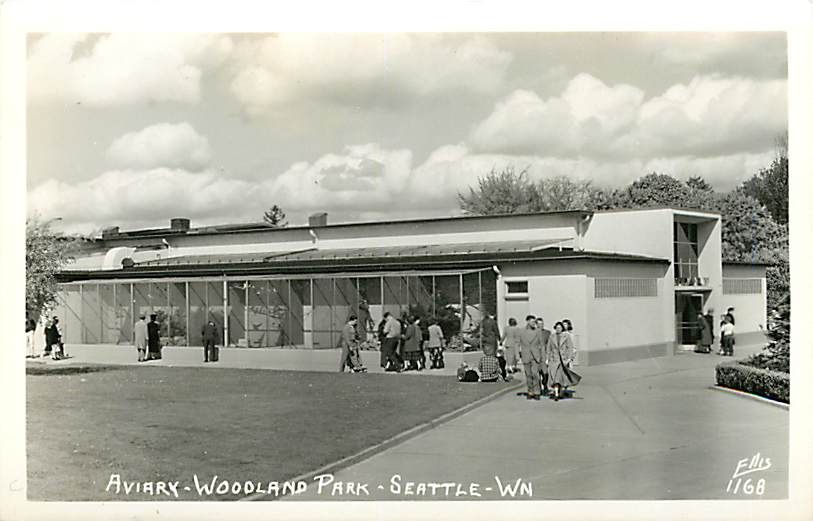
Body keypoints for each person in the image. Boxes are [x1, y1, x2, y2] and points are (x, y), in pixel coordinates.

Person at [546, 321, 578, 401]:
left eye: (560, 327)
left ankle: (559, 391)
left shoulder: (566, 336)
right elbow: (548, 348)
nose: (558, 329)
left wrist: (569, 358)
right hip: (554, 360)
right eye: (557, 327)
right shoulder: (552, 336)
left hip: (563, 361)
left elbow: (570, 347)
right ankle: (556, 393)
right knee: (555, 378)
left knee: (560, 378)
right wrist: (547, 358)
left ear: (562, 329)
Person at [518, 315, 543, 400]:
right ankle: (530, 391)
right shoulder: (521, 331)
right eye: (532, 322)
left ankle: (537, 392)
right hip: (526, 355)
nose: (534, 323)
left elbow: (542, 345)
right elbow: (517, 344)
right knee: (528, 375)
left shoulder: (538, 331)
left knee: (535, 374)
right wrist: (517, 356)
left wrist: (543, 356)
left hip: (535, 356)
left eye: (535, 322)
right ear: (527, 321)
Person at [536, 317, 552, 395]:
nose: (541, 325)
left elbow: (550, 344)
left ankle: (544, 383)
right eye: (539, 324)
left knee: (545, 373)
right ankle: (538, 388)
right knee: (537, 373)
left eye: (542, 324)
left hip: (544, 355)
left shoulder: (547, 333)